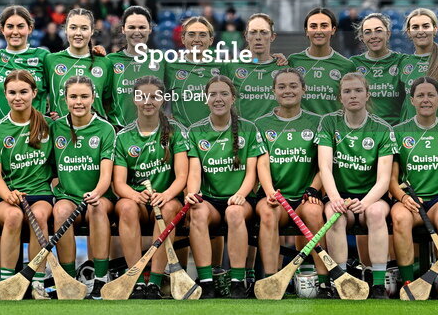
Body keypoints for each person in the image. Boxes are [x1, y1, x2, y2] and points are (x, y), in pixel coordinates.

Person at [185, 75, 264, 299]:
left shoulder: (249, 128)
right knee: (197, 212)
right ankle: (207, 281)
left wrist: (240, 195)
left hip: (241, 200)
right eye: (213, 94)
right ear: (205, 99)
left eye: (224, 94)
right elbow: (194, 171)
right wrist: (193, 193)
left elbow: (252, 172)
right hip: (210, 200)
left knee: (234, 212)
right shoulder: (195, 131)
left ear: (233, 98)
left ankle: (238, 281)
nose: (218, 99)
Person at [254, 69, 331, 298]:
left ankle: (324, 281)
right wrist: (269, 192)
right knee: (268, 214)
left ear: (303, 90)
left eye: (293, 86)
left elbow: (323, 165)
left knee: (314, 213)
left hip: (306, 195)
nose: (288, 91)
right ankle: (271, 279)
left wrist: (313, 189)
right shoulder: (261, 123)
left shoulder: (318, 122)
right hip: (275, 195)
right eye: (282, 87)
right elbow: (262, 164)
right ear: (274, 91)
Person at [317, 73, 394, 299]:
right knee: (333, 214)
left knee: (377, 213)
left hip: (371, 196)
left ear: (367, 94)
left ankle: (378, 284)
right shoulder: (329, 122)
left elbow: (384, 178)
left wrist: (366, 202)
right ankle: (342, 281)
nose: (353, 95)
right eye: (347, 91)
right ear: (340, 97)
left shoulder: (382, 127)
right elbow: (325, 167)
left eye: (358, 90)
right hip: (339, 195)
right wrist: (335, 198)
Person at [112, 76, 189, 299]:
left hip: (166, 198)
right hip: (136, 200)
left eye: (154, 96)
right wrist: (136, 195)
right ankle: (135, 279)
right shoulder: (124, 135)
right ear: (134, 100)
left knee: (168, 210)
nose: (148, 101)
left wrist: (165, 195)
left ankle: (154, 281)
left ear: (164, 99)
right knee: (125, 207)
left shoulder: (175, 131)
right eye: (142, 96)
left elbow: (181, 176)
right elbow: (119, 183)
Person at [0, 70, 55, 298]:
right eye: (12, 93)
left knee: (39, 217)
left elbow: (58, 167)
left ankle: (36, 284)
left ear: (34, 92)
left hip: (40, 194)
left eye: (24, 92)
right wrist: (6, 194)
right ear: (4, 95)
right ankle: (8, 286)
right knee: (13, 217)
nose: (18, 97)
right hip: (8, 197)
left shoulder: (49, 125)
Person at [390, 76, 438, 292]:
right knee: (399, 217)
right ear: (412, 100)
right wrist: (403, 197)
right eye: (420, 95)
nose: (426, 99)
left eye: (431, 95)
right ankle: (408, 282)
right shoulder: (398, 131)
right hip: (410, 199)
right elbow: (391, 179)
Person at [50, 76, 117, 300]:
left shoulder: (105, 129)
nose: (79, 102)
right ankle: (69, 281)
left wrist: (96, 193)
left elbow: (106, 174)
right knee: (60, 211)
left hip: (99, 196)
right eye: (74, 97)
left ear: (93, 98)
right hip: (68, 196)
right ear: (65, 98)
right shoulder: (55, 127)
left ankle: (100, 279)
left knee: (96, 209)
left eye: (84, 96)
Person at [0, 6, 51, 120]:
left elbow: (61, 86)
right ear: (2, 29)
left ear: (30, 28)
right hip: (1, 133)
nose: (15, 32)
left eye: (20, 26)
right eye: (10, 26)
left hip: (35, 131)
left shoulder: (43, 57)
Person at [106, 7, 167, 129]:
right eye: (132, 27)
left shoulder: (162, 59)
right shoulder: (110, 61)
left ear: (150, 29)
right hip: (119, 131)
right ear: (123, 29)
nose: (137, 32)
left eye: (142, 27)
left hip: (155, 131)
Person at [288, 8, 356, 116]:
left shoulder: (346, 65)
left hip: (333, 130)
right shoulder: (293, 61)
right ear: (306, 31)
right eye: (313, 26)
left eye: (324, 26)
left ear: (333, 30)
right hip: (300, 130)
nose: (318, 31)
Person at [44, 8, 111, 118]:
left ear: (92, 31)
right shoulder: (50, 60)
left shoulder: (105, 63)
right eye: (73, 27)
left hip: (95, 133)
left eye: (84, 28)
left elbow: (109, 104)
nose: (78, 33)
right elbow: (39, 95)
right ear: (66, 29)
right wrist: (47, 115)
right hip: (60, 133)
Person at [399, 8, 438, 122]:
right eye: (415, 27)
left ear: (435, 29)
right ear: (409, 32)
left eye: (426, 26)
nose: (421, 31)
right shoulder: (403, 62)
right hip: (410, 135)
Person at [167, 16, 224, 128]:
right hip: (182, 138)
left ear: (211, 40)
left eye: (202, 35)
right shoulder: (170, 67)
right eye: (191, 34)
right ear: (183, 39)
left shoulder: (222, 67)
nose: (197, 39)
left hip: (214, 135)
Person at [350, 13, 405, 125]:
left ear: (388, 34)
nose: (373, 36)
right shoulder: (353, 64)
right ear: (362, 38)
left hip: (395, 131)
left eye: (378, 30)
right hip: (364, 132)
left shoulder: (402, 61)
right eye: (368, 32)